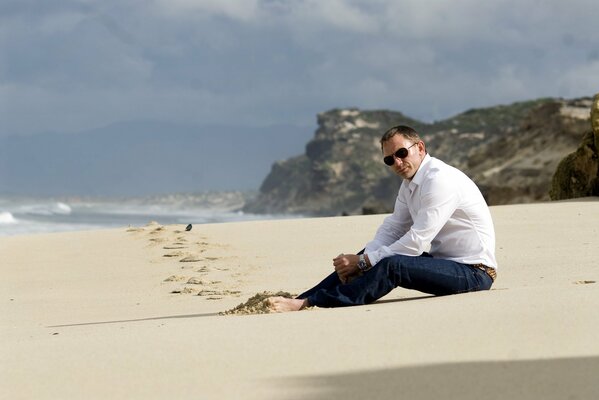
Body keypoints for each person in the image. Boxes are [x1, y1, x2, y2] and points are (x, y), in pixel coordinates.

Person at [268, 125, 498, 312]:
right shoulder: (410, 184)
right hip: (447, 263)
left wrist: (366, 262)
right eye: (389, 160)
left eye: (401, 153)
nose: (397, 163)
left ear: (419, 147)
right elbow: (393, 229)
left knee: (391, 264)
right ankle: (304, 298)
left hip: (475, 273)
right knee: (369, 255)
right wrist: (363, 259)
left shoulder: (440, 181)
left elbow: (417, 241)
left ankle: (313, 303)